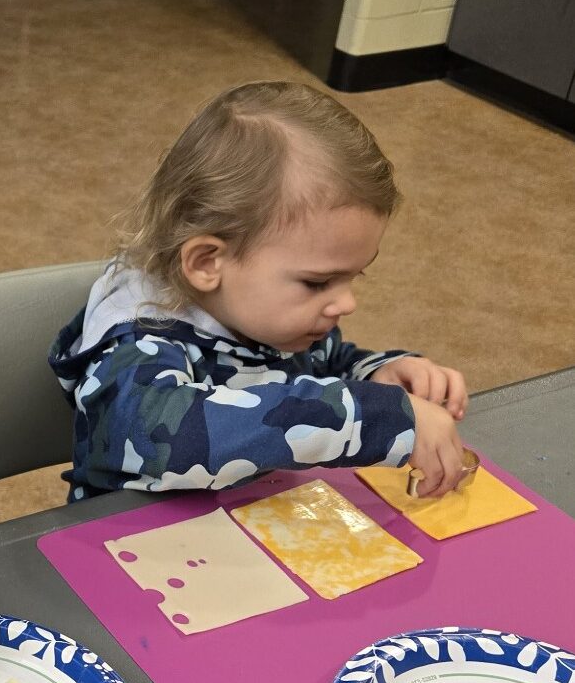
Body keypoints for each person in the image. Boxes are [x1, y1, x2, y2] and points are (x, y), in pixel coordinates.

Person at [50, 81, 468, 500]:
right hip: (129, 545)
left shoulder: (275, 321)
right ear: (207, 263)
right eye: (318, 282)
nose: (347, 303)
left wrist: (378, 375)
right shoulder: (134, 346)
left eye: (353, 277)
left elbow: (326, 366)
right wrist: (376, 416)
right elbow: (173, 440)